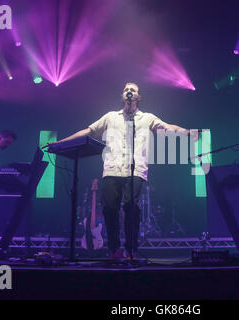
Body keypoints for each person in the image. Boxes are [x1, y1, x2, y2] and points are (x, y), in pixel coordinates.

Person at [47, 82, 197, 259]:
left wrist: (186, 132)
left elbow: (167, 128)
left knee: (131, 207)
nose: (129, 91)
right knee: (110, 209)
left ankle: (131, 249)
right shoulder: (111, 117)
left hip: (136, 170)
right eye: (126, 89)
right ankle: (114, 249)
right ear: (122, 95)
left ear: (138, 97)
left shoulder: (147, 118)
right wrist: (61, 143)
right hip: (112, 169)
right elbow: (89, 131)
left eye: (133, 89)